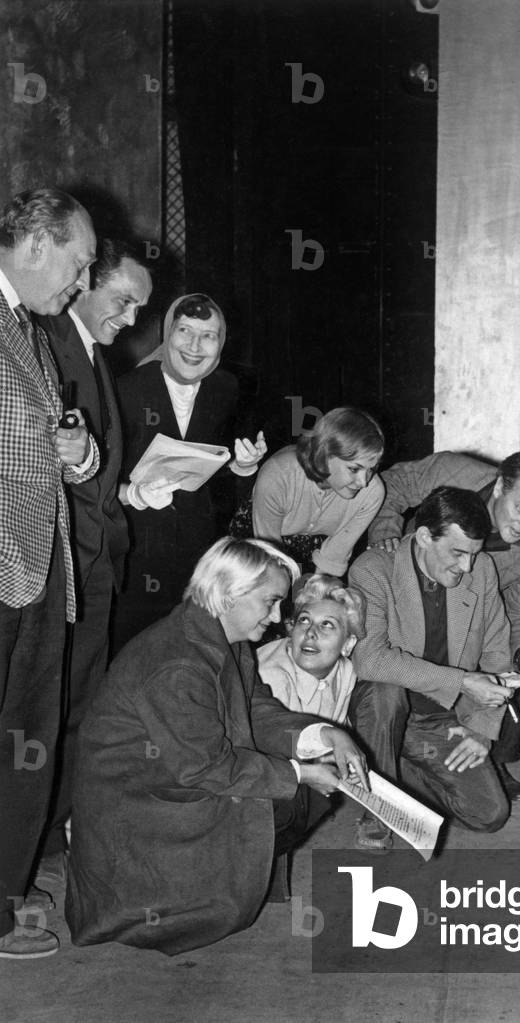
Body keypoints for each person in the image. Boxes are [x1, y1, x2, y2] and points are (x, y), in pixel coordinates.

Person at [65, 537, 368, 956]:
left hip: (165, 787)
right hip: (144, 808)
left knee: (294, 794)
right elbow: (206, 769)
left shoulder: (219, 638)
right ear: (229, 594)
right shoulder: (179, 664)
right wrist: (300, 772)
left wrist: (322, 733)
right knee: (288, 798)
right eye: (271, 602)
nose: (279, 616)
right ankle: (183, 897)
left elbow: (256, 709)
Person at [0, 187, 99, 959]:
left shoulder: (27, 330)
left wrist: (80, 451)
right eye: (78, 263)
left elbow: (41, 437)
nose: (83, 282)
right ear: (37, 243)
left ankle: (5, 888)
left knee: (22, 740)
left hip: (35, 570)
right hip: (5, 564)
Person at [38, 238, 153, 875]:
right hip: (64, 566)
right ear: (83, 282)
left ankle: (54, 836)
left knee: (80, 705)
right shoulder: (49, 348)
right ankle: (39, 842)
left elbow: (90, 468)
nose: (133, 319)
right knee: (51, 709)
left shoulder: (88, 352)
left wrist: (129, 492)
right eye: (124, 300)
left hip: (96, 563)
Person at [367, 449, 520, 800]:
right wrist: (385, 532)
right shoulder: (451, 470)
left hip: (476, 610)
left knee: (508, 661)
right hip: (411, 589)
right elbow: (391, 485)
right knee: (387, 680)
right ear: (502, 486)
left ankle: (491, 756)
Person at [349, 486, 513, 850]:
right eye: (457, 552)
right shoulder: (373, 570)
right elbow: (370, 659)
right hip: (380, 710)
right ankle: (378, 811)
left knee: (489, 813)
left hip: (441, 718)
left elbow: (498, 654)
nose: (467, 567)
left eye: (474, 554)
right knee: (384, 693)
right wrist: (463, 681)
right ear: (424, 537)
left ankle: (387, 767)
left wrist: (482, 729)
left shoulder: (481, 570)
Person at [113, 293, 267, 649]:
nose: (195, 346)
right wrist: (134, 493)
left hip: (197, 548)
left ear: (222, 342)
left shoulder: (225, 388)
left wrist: (242, 468)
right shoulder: (126, 391)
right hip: (136, 550)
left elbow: (219, 483)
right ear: (167, 333)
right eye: (185, 331)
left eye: (208, 335)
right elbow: (96, 479)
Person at [252, 406, 385, 577]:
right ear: (324, 455)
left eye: (371, 470)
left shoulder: (372, 493)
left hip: (318, 552)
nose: (363, 482)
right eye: (353, 469)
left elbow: (333, 558)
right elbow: (267, 555)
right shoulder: (278, 475)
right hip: (264, 545)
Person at [258, 573, 367, 722]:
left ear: (347, 644)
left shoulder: (345, 672)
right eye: (304, 620)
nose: (310, 633)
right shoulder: (272, 681)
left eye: (327, 624)